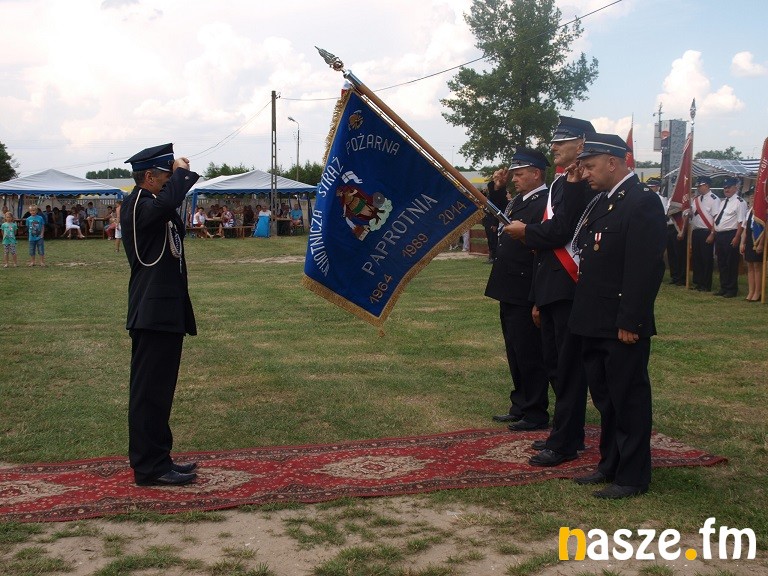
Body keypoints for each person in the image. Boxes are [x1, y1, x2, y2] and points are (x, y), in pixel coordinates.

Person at [568, 133, 666, 499]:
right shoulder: (603, 202)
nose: (586, 173)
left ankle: (633, 475)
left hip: (620, 323)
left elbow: (644, 267)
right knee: (606, 399)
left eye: (590, 166)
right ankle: (609, 464)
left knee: (628, 400)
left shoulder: (641, 202)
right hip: (594, 320)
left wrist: (631, 320)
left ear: (613, 162)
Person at [502, 116, 596, 466]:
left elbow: (561, 231)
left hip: (569, 285)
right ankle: (564, 433)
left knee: (568, 369)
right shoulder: (563, 181)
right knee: (556, 366)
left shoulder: (581, 182)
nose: (554, 146)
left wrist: (526, 232)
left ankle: (566, 440)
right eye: (554, 141)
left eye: (562, 141)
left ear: (581, 144)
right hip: (551, 286)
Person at [120, 143, 200, 487]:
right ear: (150, 177)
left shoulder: (152, 203)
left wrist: (176, 176)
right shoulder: (138, 204)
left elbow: (170, 210)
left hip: (164, 311)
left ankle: (159, 458)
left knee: (159, 392)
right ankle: (149, 467)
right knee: (149, 394)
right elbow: (167, 204)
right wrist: (181, 173)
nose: (171, 182)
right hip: (152, 313)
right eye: (166, 177)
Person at [485, 148, 550, 431]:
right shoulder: (520, 201)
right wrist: (497, 189)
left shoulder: (544, 202)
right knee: (514, 349)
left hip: (526, 286)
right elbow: (499, 218)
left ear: (536, 173)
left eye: (519, 174)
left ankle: (535, 411)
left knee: (529, 352)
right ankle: (520, 404)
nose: (515, 179)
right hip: (509, 286)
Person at [711, 177, 747, 298]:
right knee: (722, 262)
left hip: (731, 234)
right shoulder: (723, 202)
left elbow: (741, 222)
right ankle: (724, 287)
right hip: (720, 235)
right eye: (725, 188)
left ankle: (731, 289)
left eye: (729, 187)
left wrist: (737, 237)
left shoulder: (739, 202)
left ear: (735, 188)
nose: (726, 190)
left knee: (730, 262)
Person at [688, 176, 720, 292]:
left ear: (706, 185)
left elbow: (716, 218)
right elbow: (693, 214)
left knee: (706, 258)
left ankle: (706, 284)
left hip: (707, 231)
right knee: (697, 258)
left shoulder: (714, 199)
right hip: (696, 231)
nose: (698, 188)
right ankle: (698, 282)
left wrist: (712, 234)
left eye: (700, 186)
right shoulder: (696, 199)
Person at [482, 170, 510, 263]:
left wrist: (494, 223)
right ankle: (491, 256)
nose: (495, 177)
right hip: (488, 218)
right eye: (494, 176)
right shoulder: (490, 190)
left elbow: (497, 207)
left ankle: (494, 257)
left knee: (494, 239)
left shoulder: (501, 193)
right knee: (490, 239)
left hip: (495, 219)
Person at [741, 201, 764, 302]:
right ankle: (751, 291)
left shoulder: (762, 210)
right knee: (750, 266)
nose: (752, 199)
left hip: (758, 239)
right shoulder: (749, 211)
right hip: (750, 240)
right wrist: (742, 243)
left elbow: (764, 229)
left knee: (757, 266)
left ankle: (757, 292)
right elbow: (745, 229)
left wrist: (761, 244)